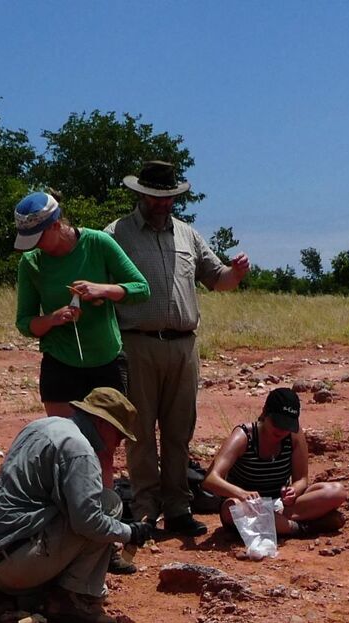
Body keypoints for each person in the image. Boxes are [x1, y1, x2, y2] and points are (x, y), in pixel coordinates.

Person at [106, 160, 251, 540]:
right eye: (155, 197)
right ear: (139, 194)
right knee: (139, 432)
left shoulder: (188, 235)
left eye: (168, 197)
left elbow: (216, 278)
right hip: (136, 345)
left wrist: (235, 274)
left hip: (183, 347)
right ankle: (144, 510)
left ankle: (177, 507)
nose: (162, 204)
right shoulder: (115, 234)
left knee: (178, 433)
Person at [0, 387, 154, 623]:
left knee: (94, 508)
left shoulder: (41, 426)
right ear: (101, 422)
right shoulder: (79, 450)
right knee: (109, 506)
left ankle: (10, 594)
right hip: (19, 563)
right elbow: (89, 522)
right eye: (119, 434)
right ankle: (73, 599)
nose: (120, 443)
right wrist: (130, 532)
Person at [12, 192, 149, 418]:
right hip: (60, 363)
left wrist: (102, 289)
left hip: (107, 361)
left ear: (55, 225)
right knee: (65, 442)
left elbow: (141, 289)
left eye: (38, 238)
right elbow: (25, 323)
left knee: (104, 445)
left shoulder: (98, 243)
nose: (34, 246)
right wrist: (52, 319)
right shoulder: (30, 262)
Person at [202, 388, 348, 539]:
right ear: (265, 413)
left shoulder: (294, 436)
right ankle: (300, 528)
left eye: (287, 426)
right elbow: (210, 479)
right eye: (277, 423)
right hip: (247, 506)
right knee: (233, 508)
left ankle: (275, 525)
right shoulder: (244, 436)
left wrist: (293, 491)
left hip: (281, 506)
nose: (281, 430)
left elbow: (302, 480)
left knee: (336, 491)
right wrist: (242, 494)